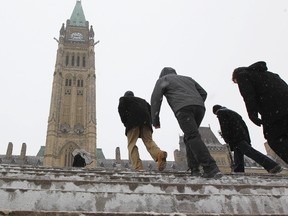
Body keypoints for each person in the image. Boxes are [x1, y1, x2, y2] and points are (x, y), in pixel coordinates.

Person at [151, 67, 221, 178]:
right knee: (189, 137)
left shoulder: (163, 79)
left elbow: (156, 98)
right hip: (199, 108)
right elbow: (204, 93)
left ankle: (210, 167)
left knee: (192, 136)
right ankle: (194, 168)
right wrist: (195, 101)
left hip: (183, 109)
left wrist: (155, 119)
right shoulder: (188, 79)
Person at [232, 61, 288, 164]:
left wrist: (252, 114)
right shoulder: (270, 74)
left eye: (236, 82)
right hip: (284, 107)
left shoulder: (242, 76)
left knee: (275, 140)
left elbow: (248, 96)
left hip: (273, 110)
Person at [213, 105, 282, 173]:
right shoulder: (234, 113)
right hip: (241, 136)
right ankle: (238, 171)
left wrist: (226, 138)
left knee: (251, 152)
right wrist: (247, 139)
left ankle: (272, 165)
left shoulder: (221, 113)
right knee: (238, 153)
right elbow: (244, 127)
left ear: (216, 111)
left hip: (235, 138)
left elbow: (224, 127)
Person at [118, 90, 167, 171]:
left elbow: (122, 112)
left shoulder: (124, 100)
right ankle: (159, 154)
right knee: (149, 141)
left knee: (132, 145)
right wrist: (152, 122)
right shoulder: (143, 101)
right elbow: (152, 110)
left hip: (132, 122)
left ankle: (138, 166)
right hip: (146, 122)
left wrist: (126, 123)